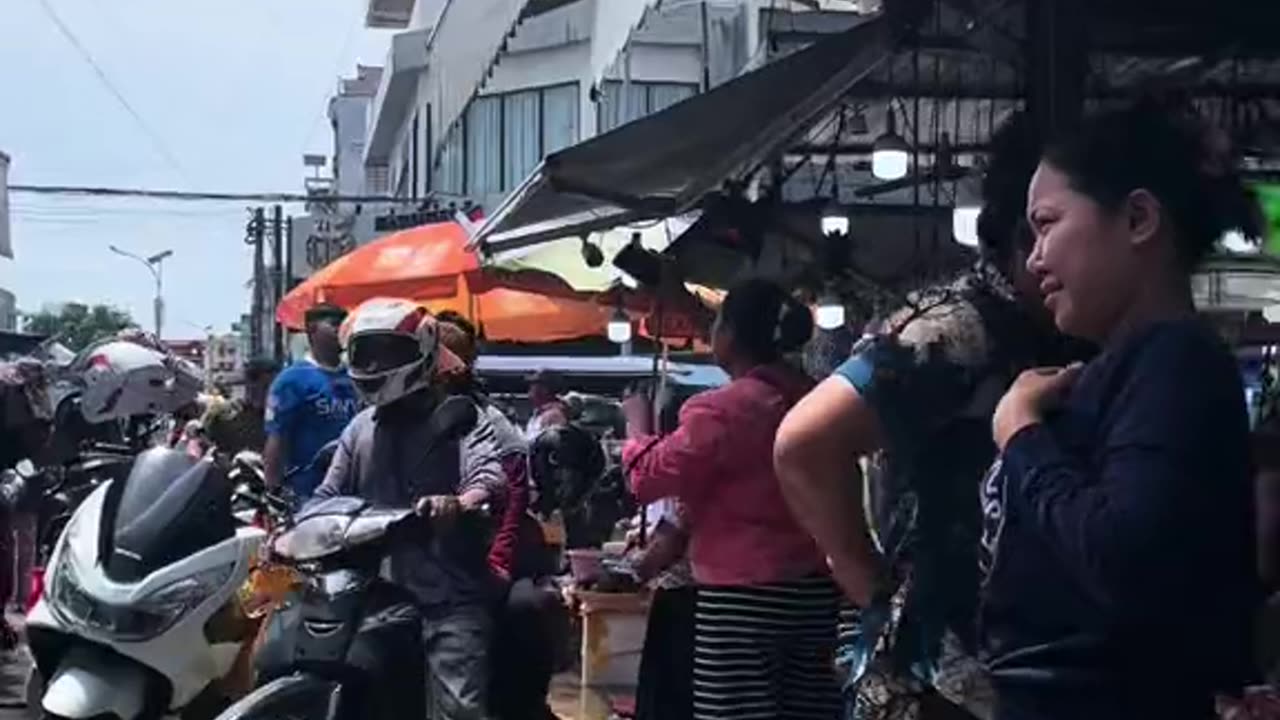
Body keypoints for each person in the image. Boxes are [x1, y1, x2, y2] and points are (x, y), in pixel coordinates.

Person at [773, 112, 1087, 720]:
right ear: (1029, 233)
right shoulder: (958, 330)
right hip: (937, 680)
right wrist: (874, 589)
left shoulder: (1042, 331)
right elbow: (804, 444)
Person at [979, 102, 1261, 719]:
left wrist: (1022, 436)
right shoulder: (1129, 368)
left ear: (1137, 219)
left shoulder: (1175, 359)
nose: (1033, 258)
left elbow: (1122, 558)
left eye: (1046, 224)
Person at [622, 278, 841, 720]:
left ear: (733, 336)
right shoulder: (819, 398)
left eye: (717, 323)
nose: (710, 334)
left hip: (742, 599)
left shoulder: (723, 410)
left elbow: (644, 478)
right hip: (817, 593)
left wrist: (635, 425)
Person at [315, 297, 507, 720]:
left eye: (390, 351)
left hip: (448, 596)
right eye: (369, 351)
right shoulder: (360, 428)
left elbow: (488, 478)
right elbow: (327, 495)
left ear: (421, 350)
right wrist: (294, 529)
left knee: (458, 709)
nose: (377, 362)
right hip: (372, 592)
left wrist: (458, 503)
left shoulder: (462, 418)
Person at [434, 311, 562, 720]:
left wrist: (497, 565)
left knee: (522, 611)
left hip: (484, 555)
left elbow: (512, 499)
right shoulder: (392, 421)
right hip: (421, 560)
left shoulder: (490, 423)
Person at [264, 303, 360, 502]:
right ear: (312, 330)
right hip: (308, 493)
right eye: (334, 324)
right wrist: (273, 491)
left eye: (344, 324)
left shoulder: (356, 377)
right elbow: (277, 439)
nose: (341, 330)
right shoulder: (291, 380)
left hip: (354, 491)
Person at [202, 357, 279, 456]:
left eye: (273, 387)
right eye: (264, 386)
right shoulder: (223, 416)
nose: (267, 392)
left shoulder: (283, 419)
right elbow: (203, 453)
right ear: (248, 385)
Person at [524, 369, 568, 440]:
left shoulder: (553, 415)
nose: (530, 389)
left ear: (545, 389)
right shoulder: (538, 412)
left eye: (534, 384)